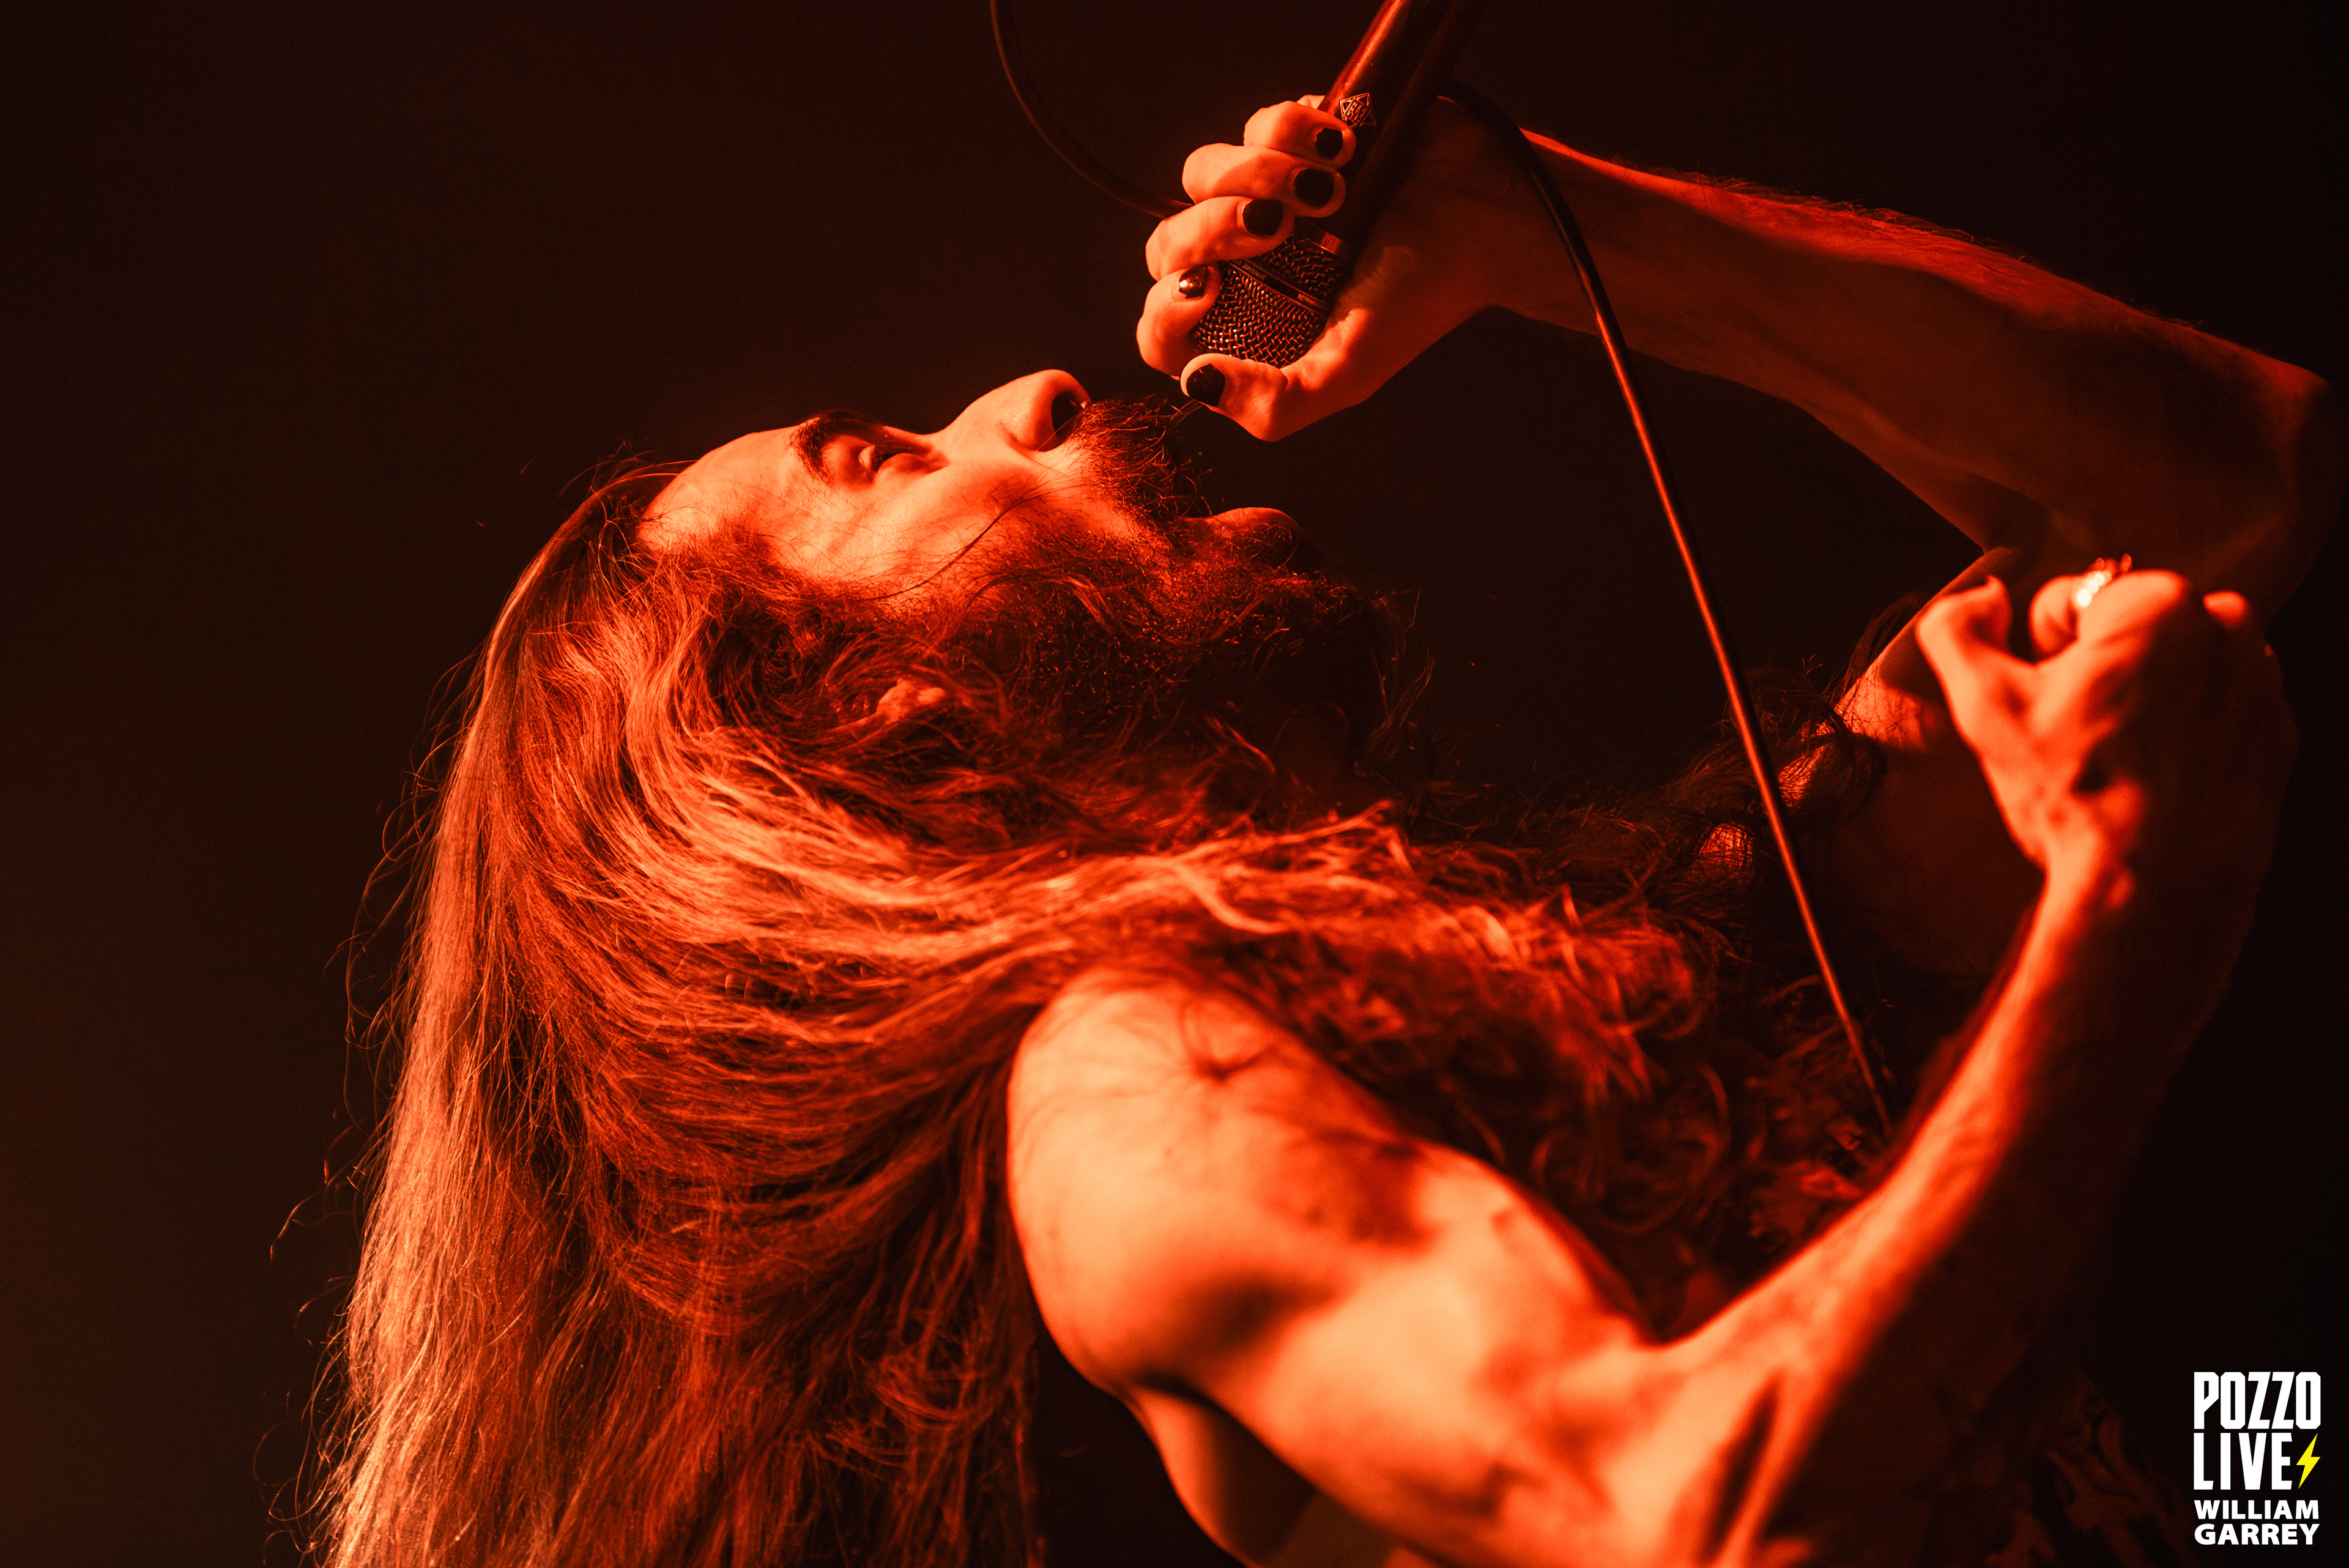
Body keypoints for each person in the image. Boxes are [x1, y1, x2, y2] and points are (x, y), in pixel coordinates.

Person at [321, 92, 2338, 1568]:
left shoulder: (1618, 953)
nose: (1029, 391)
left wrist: (1560, 230)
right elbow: (1702, 1518)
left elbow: (2228, 487)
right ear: (876, 720)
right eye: (885, 460)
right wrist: (2127, 927)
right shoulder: (1126, 1099)